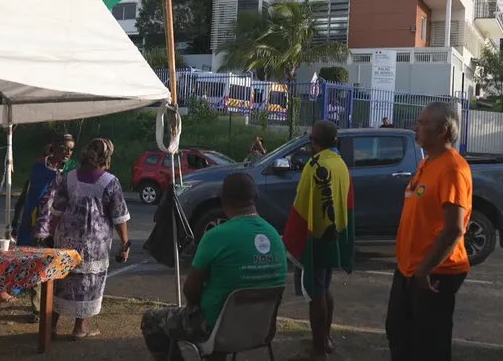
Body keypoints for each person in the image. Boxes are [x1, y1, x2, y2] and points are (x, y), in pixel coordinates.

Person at [141, 173, 287, 360]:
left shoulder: (216, 236)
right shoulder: (274, 236)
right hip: (260, 330)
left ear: (222, 199)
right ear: (255, 198)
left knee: (151, 320)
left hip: (214, 329)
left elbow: (190, 292)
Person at [386, 102, 472, 361]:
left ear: (442, 130)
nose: (416, 127)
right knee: (399, 333)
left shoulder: (452, 168)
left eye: (422, 123)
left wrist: (425, 270)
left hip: (434, 272)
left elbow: (454, 229)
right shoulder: (428, 163)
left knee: (429, 345)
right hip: (409, 269)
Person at [44, 138, 131, 340]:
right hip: (94, 244)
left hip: (66, 241)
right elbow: (119, 217)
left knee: (61, 280)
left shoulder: (69, 177)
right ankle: (79, 328)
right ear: (106, 157)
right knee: (88, 283)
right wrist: (125, 243)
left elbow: (56, 210)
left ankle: (52, 327)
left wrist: (51, 235)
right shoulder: (110, 182)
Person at [283, 120, 354, 360]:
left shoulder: (314, 165)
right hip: (333, 235)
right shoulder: (341, 165)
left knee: (316, 293)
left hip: (315, 237)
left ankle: (318, 350)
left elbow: (301, 202)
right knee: (325, 288)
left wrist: (296, 235)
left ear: (316, 142)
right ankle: (326, 338)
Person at [14, 133, 78, 322]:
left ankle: (51, 307)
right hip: (38, 224)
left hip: (60, 226)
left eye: (71, 149)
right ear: (55, 147)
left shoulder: (73, 170)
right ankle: (36, 309)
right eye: (65, 148)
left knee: (55, 267)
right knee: (35, 265)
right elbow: (29, 194)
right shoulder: (40, 166)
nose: (68, 152)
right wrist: (17, 220)